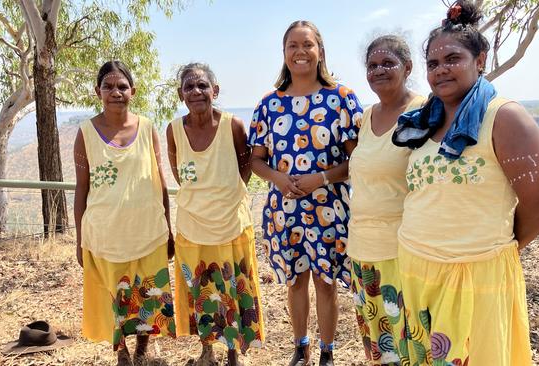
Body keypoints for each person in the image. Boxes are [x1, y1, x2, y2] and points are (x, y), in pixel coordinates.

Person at [391, 2, 539, 365]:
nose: (441, 70)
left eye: (453, 59)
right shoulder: (425, 120)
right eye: (433, 64)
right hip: (417, 267)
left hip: (473, 276)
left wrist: (502, 245)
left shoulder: (505, 117)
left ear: (480, 60)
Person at [249, 20, 363, 366]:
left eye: (308, 45)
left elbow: (358, 159)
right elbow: (256, 161)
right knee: (295, 281)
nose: (300, 52)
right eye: (292, 46)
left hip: (330, 207)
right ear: (283, 53)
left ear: (320, 51)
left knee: (325, 282)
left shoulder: (341, 99)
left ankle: (327, 351)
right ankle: (301, 347)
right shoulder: (269, 104)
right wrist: (279, 180)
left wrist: (323, 179)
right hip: (285, 209)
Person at [74, 60, 176, 366]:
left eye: (122, 86)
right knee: (113, 296)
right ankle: (121, 352)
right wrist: (80, 238)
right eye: (108, 86)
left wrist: (168, 228)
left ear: (133, 91)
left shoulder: (147, 129)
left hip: (147, 231)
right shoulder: (85, 134)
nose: (115, 92)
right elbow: (82, 190)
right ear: (97, 91)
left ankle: (143, 347)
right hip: (105, 233)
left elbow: (160, 182)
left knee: (146, 292)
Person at [167, 62, 264, 366]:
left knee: (231, 289)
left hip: (231, 227)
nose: (196, 91)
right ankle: (207, 351)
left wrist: (227, 195)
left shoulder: (233, 126)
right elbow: (179, 174)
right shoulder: (173, 131)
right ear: (181, 95)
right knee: (201, 292)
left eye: (202, 86)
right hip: (191, 228)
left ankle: (233, 353)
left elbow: (244, 166)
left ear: (215, 90)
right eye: (189, 87)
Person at [347, 35, 425, 365]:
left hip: (402, 252)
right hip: (361, 249)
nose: (378, 70)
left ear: (407, 68)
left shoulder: (425, 112)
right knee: (379, 343)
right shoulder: (366, 118)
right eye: (372, 66)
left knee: (410, 339)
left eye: (387, 64)